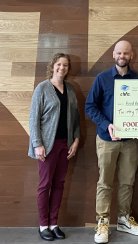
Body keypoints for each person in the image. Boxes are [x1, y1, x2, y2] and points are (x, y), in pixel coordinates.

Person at [85, 40, 138, 244]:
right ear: (113, 54)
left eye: (126, 53)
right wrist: (106, 125)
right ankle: (102, 221)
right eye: (119, 53)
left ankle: (123, 219)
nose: (122, 56)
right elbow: (90, 107)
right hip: (106, 140)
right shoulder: (102, 78)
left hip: (130, 142)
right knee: (105, 182)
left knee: (127, 182)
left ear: (132, 55)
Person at [28, 53, 80, 241]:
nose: (62, 68)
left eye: (65, 65)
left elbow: (74, 119)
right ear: (53, 66)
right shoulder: (42, 88)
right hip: (46, 147)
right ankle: (43, 226)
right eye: (59, 64)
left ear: (68, 68)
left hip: (64, 145)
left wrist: (76, 140)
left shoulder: (71, 90)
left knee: (59, 184)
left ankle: (54, 223)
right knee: (45, 185)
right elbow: (33, 120)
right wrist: (38, 144)